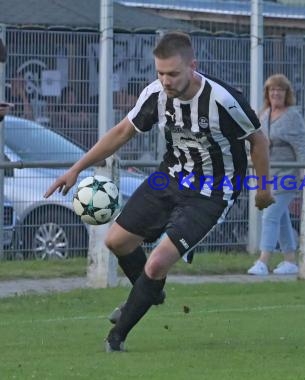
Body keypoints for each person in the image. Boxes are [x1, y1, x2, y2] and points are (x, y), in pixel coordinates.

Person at [44, 31, 275, 352]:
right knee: (117, 241)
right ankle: (151, 292)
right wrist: (76, 168)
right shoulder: (155, 94)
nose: (165, 80)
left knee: (155, 264)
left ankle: (116, 338)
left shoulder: (222, 99)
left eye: (173, 73)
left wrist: (262, 188)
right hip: (169, 177)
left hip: (213, 191)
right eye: (160, 73)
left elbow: (259, 140)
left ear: (193, 66)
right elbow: (123, 131)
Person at [247, 74, 305, 276]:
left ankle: (263, 260)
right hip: (267, 174)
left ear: (286, 93)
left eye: (280, 90)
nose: (276, 93)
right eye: (272, 90)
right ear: (267, 93)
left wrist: (304, 173)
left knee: (270, 215)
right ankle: (290, 260)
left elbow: (302, 145)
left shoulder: (292, 116)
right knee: (281, 217)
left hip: (287, 174)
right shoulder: (263, 114)